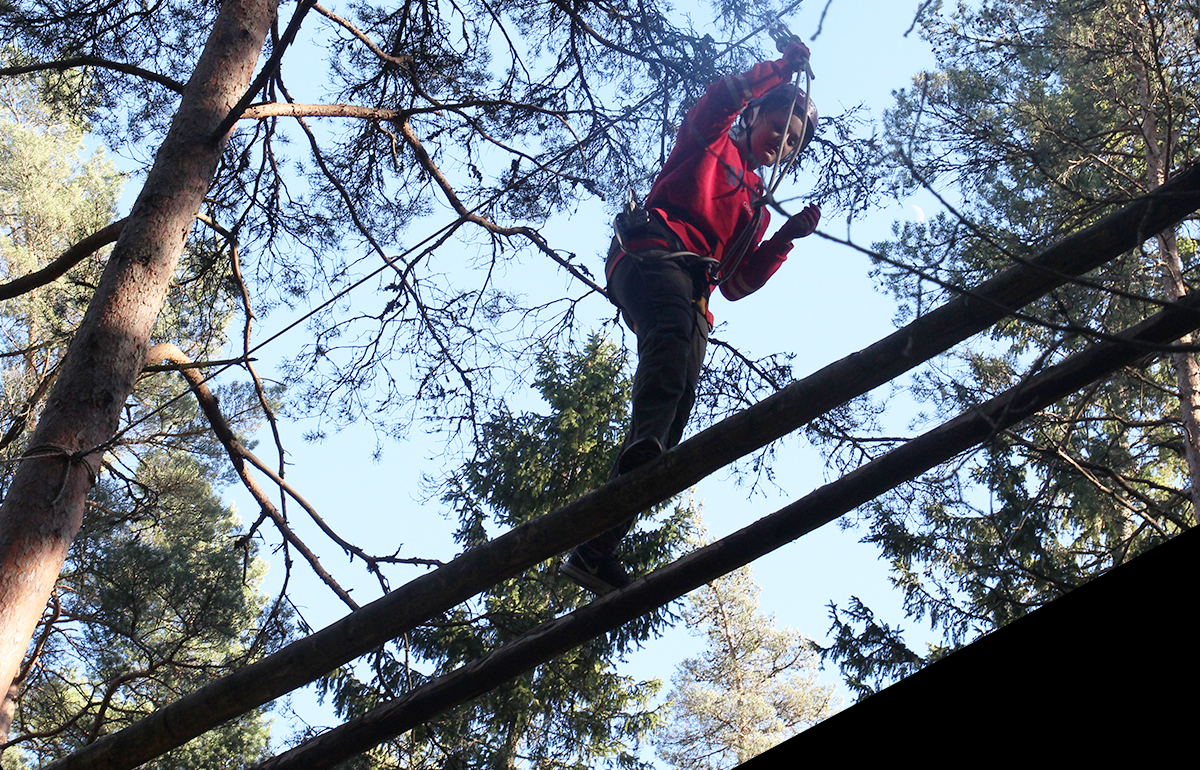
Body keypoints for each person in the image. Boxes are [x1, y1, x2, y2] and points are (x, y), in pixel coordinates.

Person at [560, 41, 822, 595]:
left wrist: (783, 239)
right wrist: (780, 70)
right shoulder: (710, 140)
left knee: (675, 413)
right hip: (652, 253)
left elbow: (736, 284)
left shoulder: (756, 208)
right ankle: (645, 446)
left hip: (696, 290)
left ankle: (595, 548)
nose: (782, 141)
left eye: (793, 141)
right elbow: (724, 96)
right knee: (671, 338)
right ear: (755, 117)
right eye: (778, 126)